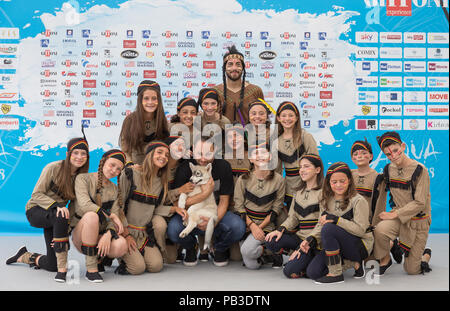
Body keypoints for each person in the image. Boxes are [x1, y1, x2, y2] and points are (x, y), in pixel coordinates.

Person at [6, 134, 90, 283]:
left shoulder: (82, 177)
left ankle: (25, 256)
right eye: (76, 153)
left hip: (58, 217)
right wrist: (56, 206)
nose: (79, 157)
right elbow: (36, 194)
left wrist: (64, 233)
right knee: (60, 216)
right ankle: (62, 272)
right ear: (68, 154)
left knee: (52, 265)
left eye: (83, 154)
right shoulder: (53, 168)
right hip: (36, 210)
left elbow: (74, 206)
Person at [167, 136, 246, 267]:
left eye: (208, 154)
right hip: (190, 214)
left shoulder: (223, 166)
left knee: (238, 227)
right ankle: (191, 247)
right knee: (173, 229)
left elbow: (223, 201)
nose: (203, 159)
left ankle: (219, 248)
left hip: (213, 212)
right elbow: (177, 205)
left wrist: (213, 222)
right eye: (199, 154)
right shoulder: (185, 168)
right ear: (193, 151)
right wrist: (204, 194)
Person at [115, 141, 186, 275]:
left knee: (156, 266)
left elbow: (155, 208)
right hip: (126, 231)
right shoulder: (130, 173)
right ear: (149, 154)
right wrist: (126, 235)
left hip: (143, 234)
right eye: (159, 152)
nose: (164, 157)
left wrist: (174, 209)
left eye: (166, 155)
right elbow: (118, 207)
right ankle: (121, 256)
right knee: (138, 268)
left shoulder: (160, 181)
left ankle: (138, 255)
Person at [302, 162, 373, 284]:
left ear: (349, 181)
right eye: (334, 182)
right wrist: (310, 238)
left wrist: (337, 220)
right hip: (337, 244)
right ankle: (353, 263)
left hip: (360, 245)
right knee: (313, 273)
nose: (338, 185)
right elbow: (320, 224)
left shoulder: (358, 200)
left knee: (329, 228)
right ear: (329, 183)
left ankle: (335, 274)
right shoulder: (325, 200)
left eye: (342, 181)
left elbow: (361, 230)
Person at [373, 131, 432, 276]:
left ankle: (425, 255)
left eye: (395, 150)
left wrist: (394, 214)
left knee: (411, 270)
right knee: (379, 229)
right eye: (388, 154)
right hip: (399, 219)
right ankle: (387, 256)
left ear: (403, 146)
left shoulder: (420, 170)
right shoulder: (388, 169)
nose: (393, 156)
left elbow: (420, 202)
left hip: (418, 221)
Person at [70, 149, 128, 283]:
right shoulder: (83, 178)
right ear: (103, 162)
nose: (114, 170)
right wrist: (112, 216)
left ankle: (100, 259)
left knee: (121, 245)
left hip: (100, 234)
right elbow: (85, 205)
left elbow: (113, 221)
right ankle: (91, 270)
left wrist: (108, 234)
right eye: (112, 165)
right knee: (92, 216)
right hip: (81, 234)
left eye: (118, 169)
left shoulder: (114, 189)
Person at [265, 154, 324, 276]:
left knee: (289, 271)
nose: (302, 170)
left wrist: (309, 240)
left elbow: (322, 223)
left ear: (317, 170)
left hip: (315, 241)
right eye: (300, 167)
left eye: (306, 166)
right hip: (300, 238)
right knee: (271, 240)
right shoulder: (298, 193)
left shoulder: (324, 193)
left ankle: (309, 258)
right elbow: (293, 218)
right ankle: (301, 256)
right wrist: (280, 230)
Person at [233, 142, 285, 270]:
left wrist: (259, 228)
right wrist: (252, 227)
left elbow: (276, 208)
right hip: (247, 223)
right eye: (256, 153)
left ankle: (271, 250)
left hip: (266, 224)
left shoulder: (279, 180)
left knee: (247, 252)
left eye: (264, 152)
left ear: (270, 157)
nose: (260, 156)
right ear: (250, 159)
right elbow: (239, 207)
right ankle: (268, 252)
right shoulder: (243, 179)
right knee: (252, 265)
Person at [275, 101, 319, 209]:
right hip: (289, 187)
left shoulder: (305, 137)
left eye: (291, 115)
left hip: (307, 185)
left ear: (297, 117)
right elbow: (277, 171)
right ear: (278, 118)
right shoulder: (276, 141)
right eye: (284, 116)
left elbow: (316, 162)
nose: (287, 119)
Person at [119, 80, 169, 167]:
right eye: (146, 98)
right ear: (140, 100)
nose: (150, 102)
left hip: (156, 169)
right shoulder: (130, 120)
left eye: (154, 98)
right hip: (134, 168)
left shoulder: (162, 121)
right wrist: (130, 165)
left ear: (159, 100)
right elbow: (125, 149)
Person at [214, 45, 264, 125]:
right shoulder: (215, 91)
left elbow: (263, 119)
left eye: (238, 64)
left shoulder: (256, 91)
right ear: (224, 68)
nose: (234, 68)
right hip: (221, 137)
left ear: (243, 68)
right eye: (230, 64)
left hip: (250, 136)